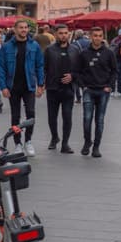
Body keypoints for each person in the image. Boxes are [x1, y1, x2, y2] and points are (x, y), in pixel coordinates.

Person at [0, 20, 45, 156]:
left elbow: (40, 65)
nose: (24, 30)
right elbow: (1, 67)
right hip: (13, 87)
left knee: (31, 113)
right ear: (15, 29)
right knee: (15, 116)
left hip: (29, 85)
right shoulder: (6, 47)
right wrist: (3, 86)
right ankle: (17, 143)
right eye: (21, 28)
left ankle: (28, 141)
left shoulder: (34, 45)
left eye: (26, 28)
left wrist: (40, 84)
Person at [75, 26, 118, 157]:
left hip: (103, 91)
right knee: (87, 119)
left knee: (99, 120)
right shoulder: (84, 53)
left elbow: (114, 71)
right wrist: (84, 86)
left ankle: (96, 147)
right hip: (89, 89)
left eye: (100, 36)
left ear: (102, 37)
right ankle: (87, 142)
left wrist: (109, 86)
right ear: (90, 36)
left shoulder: (109, 53)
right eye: (95, 35)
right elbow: (78, 71)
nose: (97, 38)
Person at [43, 23, 80, 153]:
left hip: (68, 89)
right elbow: (44, 68)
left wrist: (73, 76)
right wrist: (41, 84)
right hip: (53, 88)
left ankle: (65, 143)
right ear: (55, 34)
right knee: (52, 117)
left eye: (66, 33)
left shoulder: (75, 50)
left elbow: (80, 69)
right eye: (61, 33)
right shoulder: (49, 50)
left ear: (68, 34)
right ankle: (54, 138)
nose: (64, 35)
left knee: (67, 117)